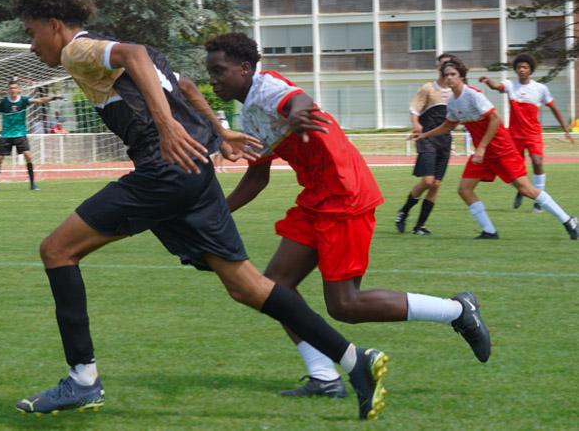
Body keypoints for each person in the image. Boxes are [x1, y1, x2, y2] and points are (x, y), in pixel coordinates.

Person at [13, 0, 389, 421]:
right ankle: (354, 362)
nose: (31, 43)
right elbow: (186, 86)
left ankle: (81, 381)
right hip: (194, 171)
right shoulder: (120, 55)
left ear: (55, 25)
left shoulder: (79, 50)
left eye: (32, 31)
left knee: (57, 250)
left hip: (165, 168)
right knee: (247, 286)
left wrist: (167, 127)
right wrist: (220, 130)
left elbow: (133, 55)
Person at [204, 33, 492, 399]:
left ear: (245, 68)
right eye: (210, 72)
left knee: (346, 306)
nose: (213, 79)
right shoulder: (248, 113)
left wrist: (297, 114)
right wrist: (216, 215)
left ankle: (455, 310)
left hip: (344, 191)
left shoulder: (266, 87)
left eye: (219, 71)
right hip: (317, 197)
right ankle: (324, 377)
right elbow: (258, 177)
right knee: (275, 288)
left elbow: (299, 101)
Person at [415, 59, 578, 239]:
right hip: (483, 154)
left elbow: (495, 119)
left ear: (461, 76)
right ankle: (489, 231)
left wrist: (482, 148)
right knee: (464, 190)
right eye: (446, 75)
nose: (449, 78)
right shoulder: (453, 102)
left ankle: (568, 220)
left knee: (526, 190)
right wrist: (424, 135)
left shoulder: (473, 95)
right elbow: (448, 125)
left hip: (501, 149)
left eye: (453, 74)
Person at [478, 54, 575, 212]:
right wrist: (487, 81)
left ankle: (539, 200)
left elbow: (554, 108)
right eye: (519, 67)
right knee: (515, 169)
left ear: (530, 70)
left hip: (533, 134)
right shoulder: (510, 85)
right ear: (515, 70)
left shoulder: (540, 88)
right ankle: (521, 190)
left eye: (525, 67)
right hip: (514, 135)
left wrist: (566, 130)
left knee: (537, 161)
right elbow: (497, 86)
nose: (522, 70)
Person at [395, 54, 458, 236]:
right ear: (439, 66)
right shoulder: (428, 88)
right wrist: (416, 125)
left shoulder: (456, 92)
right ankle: (404, 211)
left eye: (451, 66)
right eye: (444, 64)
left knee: (436, 185)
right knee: (428, 181)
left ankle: (419, 226)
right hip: (427, 138)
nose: (447, 69)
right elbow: (414, 109)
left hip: (444, 141)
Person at [0, 80, 61, 191]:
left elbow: (39, 100)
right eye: (11, 88)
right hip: (6, 134)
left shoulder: (24, 100)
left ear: (18, 89)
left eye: (15, 88)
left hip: (20, 134)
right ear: (8, 90)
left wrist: (52, 98)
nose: (13, 90)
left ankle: (32, 184)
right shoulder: (4, 102)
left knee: (28, 156)